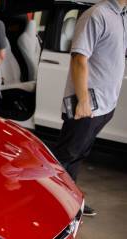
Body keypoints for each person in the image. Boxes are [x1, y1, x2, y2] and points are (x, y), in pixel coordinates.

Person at [52, 0, 127, 217]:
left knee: (79, 153)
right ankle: (54, 207)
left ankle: (71, 200)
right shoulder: (97, 15)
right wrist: (83, 101)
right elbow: (78, 59)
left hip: (105, 103)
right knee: (66, 155)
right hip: (87, 105)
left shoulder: (121, 16)